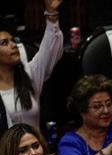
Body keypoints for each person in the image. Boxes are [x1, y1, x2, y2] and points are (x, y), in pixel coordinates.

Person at [0, 0, 64, 130]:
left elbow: (51, 51)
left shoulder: (29, 74)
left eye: (12, 41)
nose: (13, 45)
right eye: (4, 43)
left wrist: (51, 14)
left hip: (35, 148)